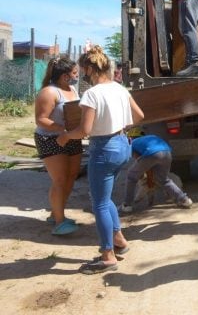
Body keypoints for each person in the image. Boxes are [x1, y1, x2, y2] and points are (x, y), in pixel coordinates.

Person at [57, 46, 144, 274]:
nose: (83, 75)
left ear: (91, 69)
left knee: (99, 203)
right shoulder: (120, 89)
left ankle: (107, 256)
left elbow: (84, 130)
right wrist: (120, 123)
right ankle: (119, 242)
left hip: (103, 148)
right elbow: (139, 116)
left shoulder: (92, 94)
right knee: (104, 199)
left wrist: (66, 136)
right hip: (122, 144)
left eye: (84, 70)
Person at [34, 57, 83, 236]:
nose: (77, 76)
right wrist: (62, 128)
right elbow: (41, 119)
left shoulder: (72, 89)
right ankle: (60, 222)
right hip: (50, 139)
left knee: (71, 176)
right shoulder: (49, 92)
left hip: (71, 138)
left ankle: (56, 213)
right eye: (75, 73)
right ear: (65, 75)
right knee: (60, 179)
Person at [119, 134, 193, 213]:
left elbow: (140, 161)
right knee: (163, 180)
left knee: (131, 177)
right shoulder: (143, 140)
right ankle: (184, 200)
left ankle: (127, 205)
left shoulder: (131, 145)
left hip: (152, 154)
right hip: (167, 152)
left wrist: (143, 175)